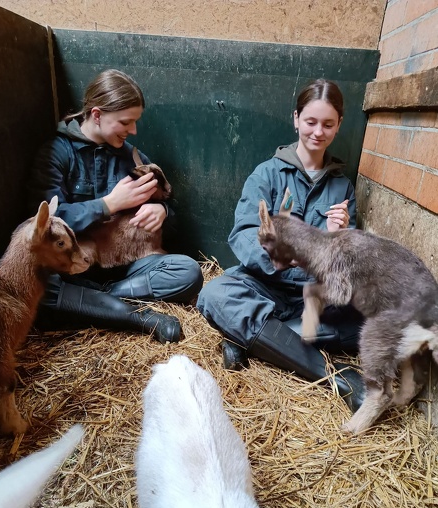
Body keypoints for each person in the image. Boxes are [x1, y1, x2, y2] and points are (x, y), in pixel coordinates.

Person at [197, 79, 365, 411]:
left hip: (313, 295)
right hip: (265, 283)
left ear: (339, 125)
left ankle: (251, 340)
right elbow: (244, 232)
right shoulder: (267, 174)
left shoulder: (343, 186)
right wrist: (276, 257)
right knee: (215, 294)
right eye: (310, 122)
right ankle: (337, 376)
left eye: (328, 124)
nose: (318, 132)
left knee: (368, 312)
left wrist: (338, 236)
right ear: (296, 119)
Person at [29, 69, 203, 344]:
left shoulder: (132, 157)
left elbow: (173, 221)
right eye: (126, 122)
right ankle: (135, 317)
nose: (133, 130)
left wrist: (163, 213)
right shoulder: (57, 153)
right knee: (39, 286)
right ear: (96, 115)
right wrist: (109, 204)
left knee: (188, 272)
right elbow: (43, 224)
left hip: (127, 271)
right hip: (72, 268)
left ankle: (99, 302)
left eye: (135, 122)